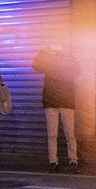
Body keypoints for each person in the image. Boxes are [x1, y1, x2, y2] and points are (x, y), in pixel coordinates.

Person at [33, 43, 80, 172]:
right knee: (57, 134)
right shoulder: (49, 60)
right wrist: (42, 53)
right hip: (55, 102)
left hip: (62, 101)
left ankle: (72, 161)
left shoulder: (69, 59)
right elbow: (36, 66)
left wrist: (68, 55)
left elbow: (77, 71)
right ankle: (55, 162)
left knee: (67, 134)